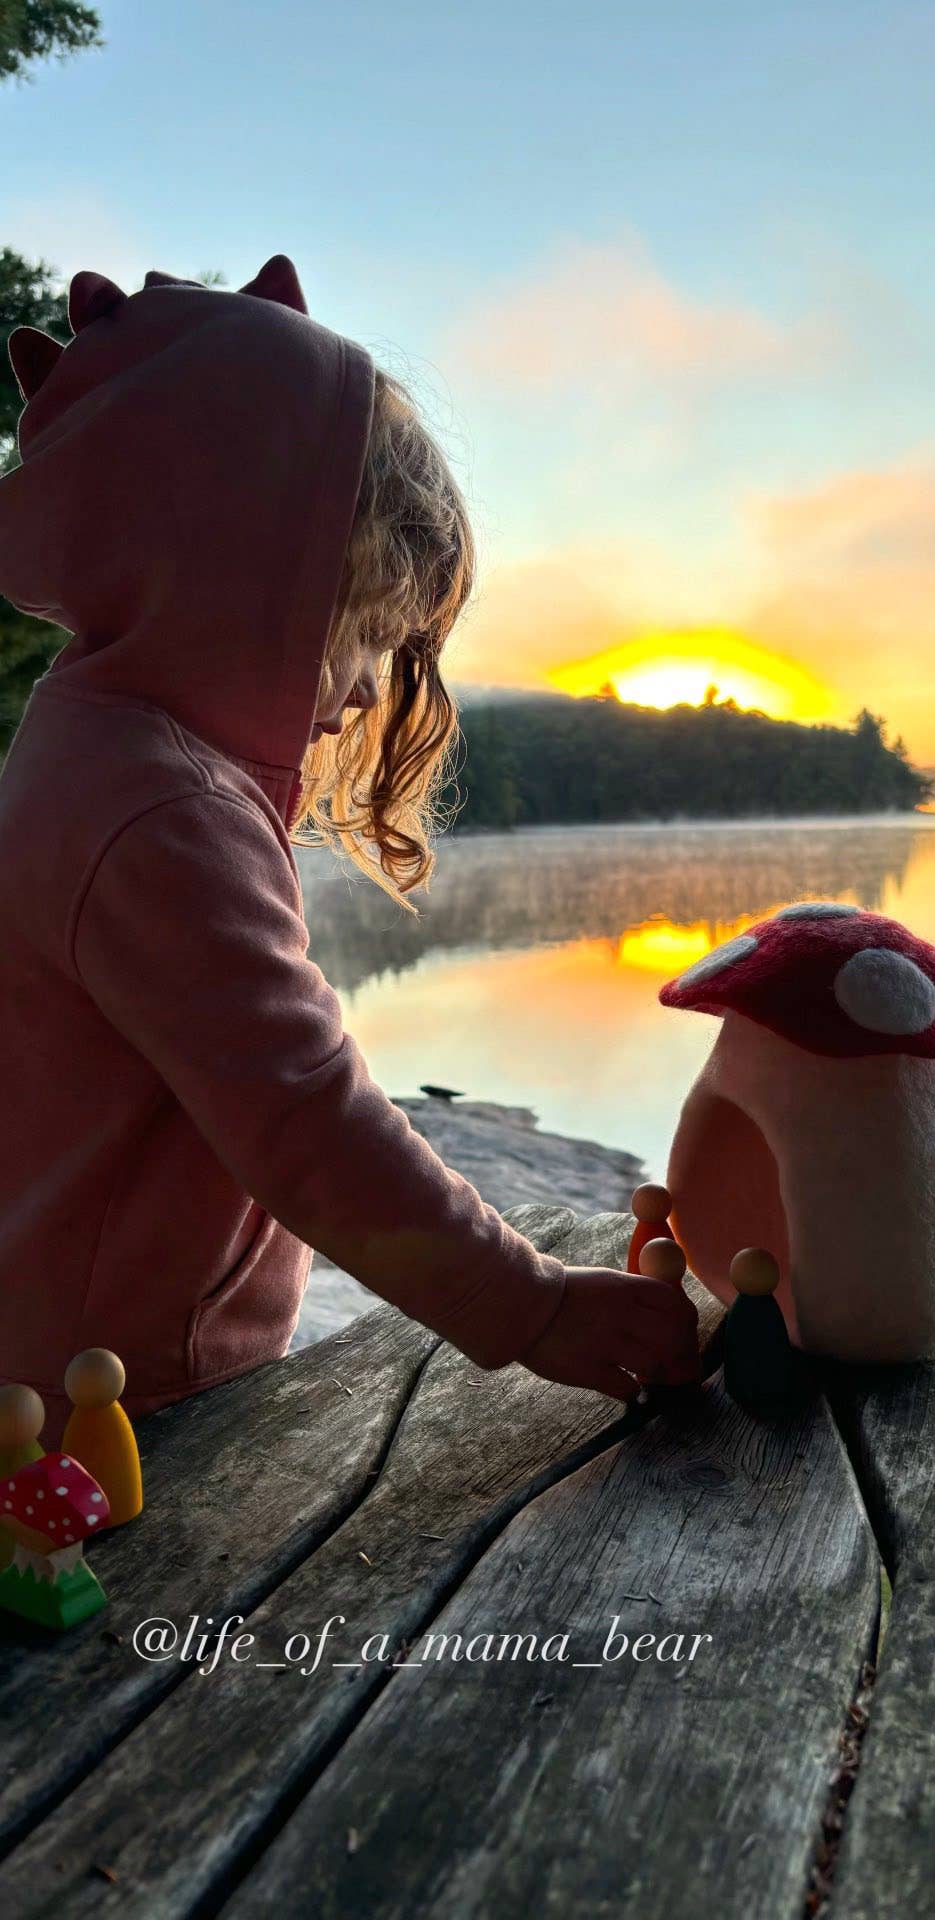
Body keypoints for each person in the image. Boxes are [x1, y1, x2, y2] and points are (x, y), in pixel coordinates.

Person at [0, 254, 699, 1442]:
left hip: (81, 1355)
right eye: (366, 631)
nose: (370, 689)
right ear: (238, 577)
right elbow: (307, 1119)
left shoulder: (98, 746)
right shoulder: (160, 813)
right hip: (107, 1402)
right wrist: (528, 1305)